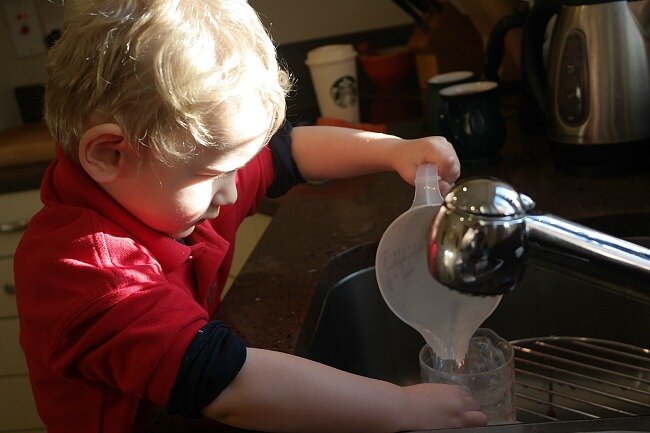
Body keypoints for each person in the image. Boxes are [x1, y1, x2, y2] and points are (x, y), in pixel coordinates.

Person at [13, 1, 487, 432]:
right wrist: (401, 408)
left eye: (238, 165)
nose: (234, 190)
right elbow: (230, 386)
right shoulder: (85, 273)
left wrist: (395, 151)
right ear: (110, 155)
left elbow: (290, 152)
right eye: (216, 171)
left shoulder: (170, 185)